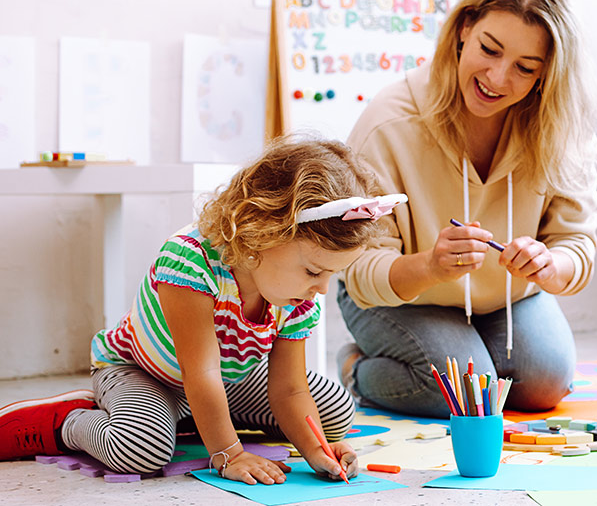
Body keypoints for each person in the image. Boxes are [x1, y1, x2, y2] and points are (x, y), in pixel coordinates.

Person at [0, 137, 404, 485]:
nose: (321, 289)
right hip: (146, 372)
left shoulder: (296, 295)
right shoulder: (189, 261)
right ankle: (70, 421)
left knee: (334, 409)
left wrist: (318, 451)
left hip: (225, 381)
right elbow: (200, 372)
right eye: (315, 271)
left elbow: (290, 389)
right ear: (259, 233)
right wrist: (228, 452)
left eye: (331, 275)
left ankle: (191, 420)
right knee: (142, 450)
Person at [336, 0, 597, 418]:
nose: (498, 78)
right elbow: (358, 268)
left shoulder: (559, 125)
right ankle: (355, 369)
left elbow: (576, 245)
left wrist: (549, 266)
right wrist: (430, 266)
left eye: (525, 67)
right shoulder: (388, 123)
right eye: (490, 49)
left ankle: (469, 352)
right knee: (464, 395)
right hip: (396, 297)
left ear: (546, 74)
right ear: (463, 28)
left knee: (546, 383)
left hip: (504, 298)